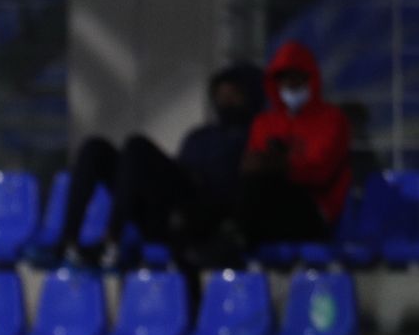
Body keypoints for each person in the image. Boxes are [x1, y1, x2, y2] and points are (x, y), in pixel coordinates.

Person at [49, 63, 263, 265]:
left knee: (136, 145)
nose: (226, 102)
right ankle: (69, 242)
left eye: (234, 96)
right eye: (221, 96)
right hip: (161, 209)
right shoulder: (199, 136)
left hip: (197, 217)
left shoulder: (255, 136)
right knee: (95, 147)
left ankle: (112, 241)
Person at [239, 41, 351, 246]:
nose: (290, 85)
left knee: (257, 187)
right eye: (283, 79)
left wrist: (278, 165)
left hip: (313, 210)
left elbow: (321, 170)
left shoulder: (332, 119)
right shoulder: (264, 123)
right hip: (267, 207)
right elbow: (252, 164)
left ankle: (235, 236)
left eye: (296, 78)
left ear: (310, 79)